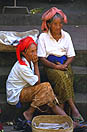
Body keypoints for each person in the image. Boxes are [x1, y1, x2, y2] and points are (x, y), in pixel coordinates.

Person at [6, 36, 69, 126]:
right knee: (45, 87)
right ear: (24, 53)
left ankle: (69, 121)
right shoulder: (22, 67)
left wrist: (34, 63)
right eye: (32, 51)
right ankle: (29, 112)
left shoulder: (29, 61)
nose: (35, 53)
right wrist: (36, 64)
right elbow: (37, 82)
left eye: (35, 50)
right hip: (16, 94)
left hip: (25, 89)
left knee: (48, 97)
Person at [37, 7, 84, 123]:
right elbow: (42, 59)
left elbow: (71, 55)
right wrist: (56, 67)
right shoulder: (43, 37)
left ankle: (62, 109)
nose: (58, 27)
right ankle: (73, 108)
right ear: (48, 25)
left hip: (65, 64)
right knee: (62, 77)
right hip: (50, 65)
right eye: (55, 24)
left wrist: (64, 65)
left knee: (66, 76)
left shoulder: (66, 36)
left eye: (60, 24)